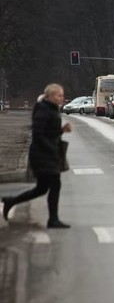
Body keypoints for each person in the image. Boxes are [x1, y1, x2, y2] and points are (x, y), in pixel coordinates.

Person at [2, 83, 73, 228]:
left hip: (46, 154)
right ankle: (53, 220)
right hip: (42, 155)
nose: (62, 98)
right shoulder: (43, 110)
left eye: (62, 95)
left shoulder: (51, 109)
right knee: (54, 184)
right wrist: (51, 149)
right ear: (50, 96)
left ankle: (11, 201)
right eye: (59, 95)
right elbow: (38, 134)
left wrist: (61, 130)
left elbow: (49, 133)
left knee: (42, 188)